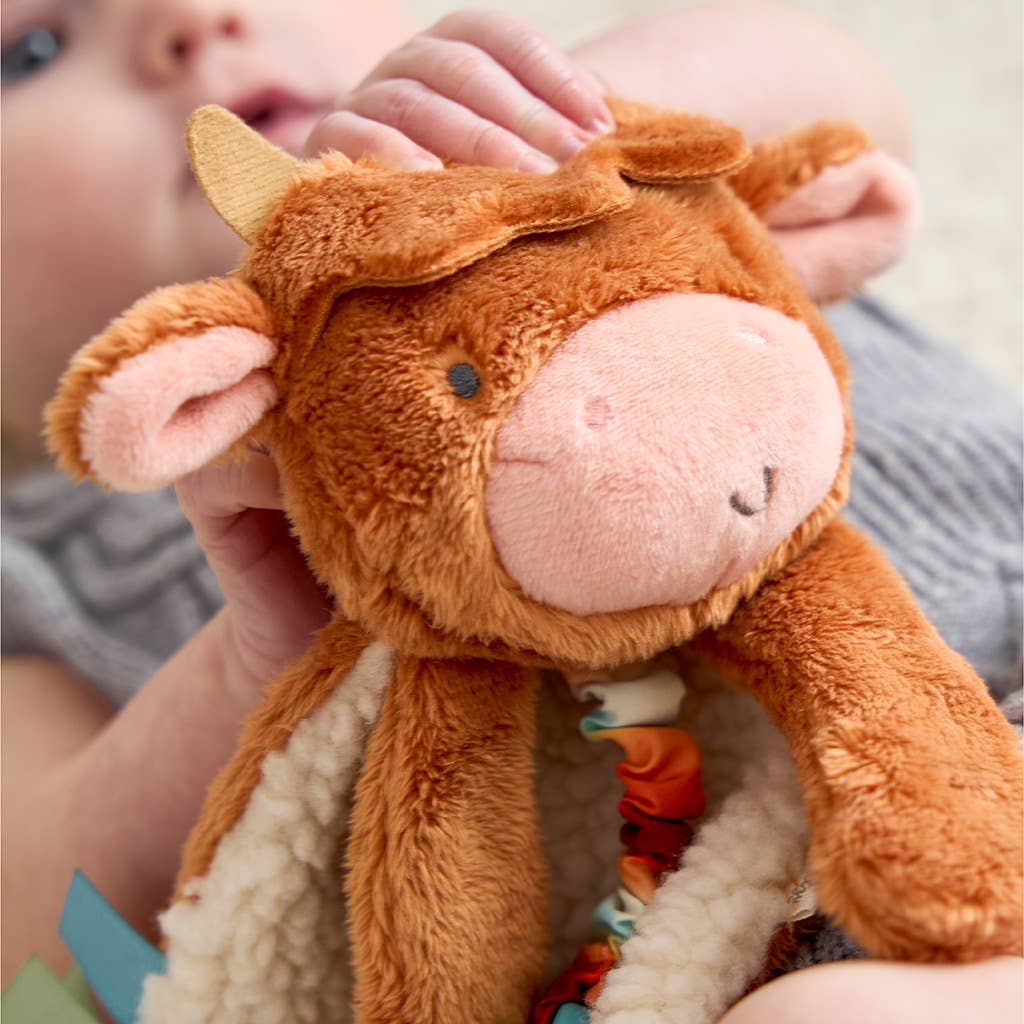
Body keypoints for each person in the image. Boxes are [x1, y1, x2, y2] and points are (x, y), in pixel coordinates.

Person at [2, 1, 1019, 1018]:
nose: (191, 20)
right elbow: (24, 921)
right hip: (725, 937)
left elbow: (838, 86)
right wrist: (250, 657)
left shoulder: (656, 191)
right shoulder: (49, 550)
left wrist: (550, 124)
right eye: (33, 49)